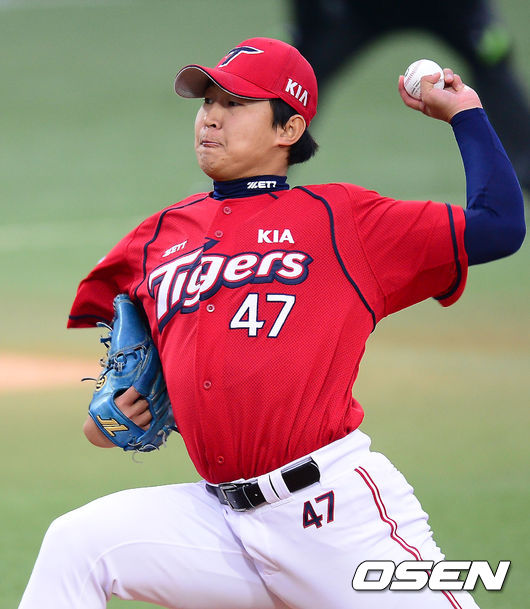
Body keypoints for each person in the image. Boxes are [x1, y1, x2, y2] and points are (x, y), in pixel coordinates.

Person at [19, 37, 524, 609]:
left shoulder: (342, 220)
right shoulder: (158, 238)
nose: (211, 116)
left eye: (235, 103)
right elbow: (129, 371)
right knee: (79, 543)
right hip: (221, 525)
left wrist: (465, 114)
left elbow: (500, 226)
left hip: (331, 517)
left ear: (289, 129)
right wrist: (108, 420)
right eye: (208, 101)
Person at [291, 0, 530, 190]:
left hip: (449, 7)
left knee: (492, 63)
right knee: (298, 73)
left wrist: (479, 20)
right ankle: (269, 175)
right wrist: (306, 25)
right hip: (362, 8)